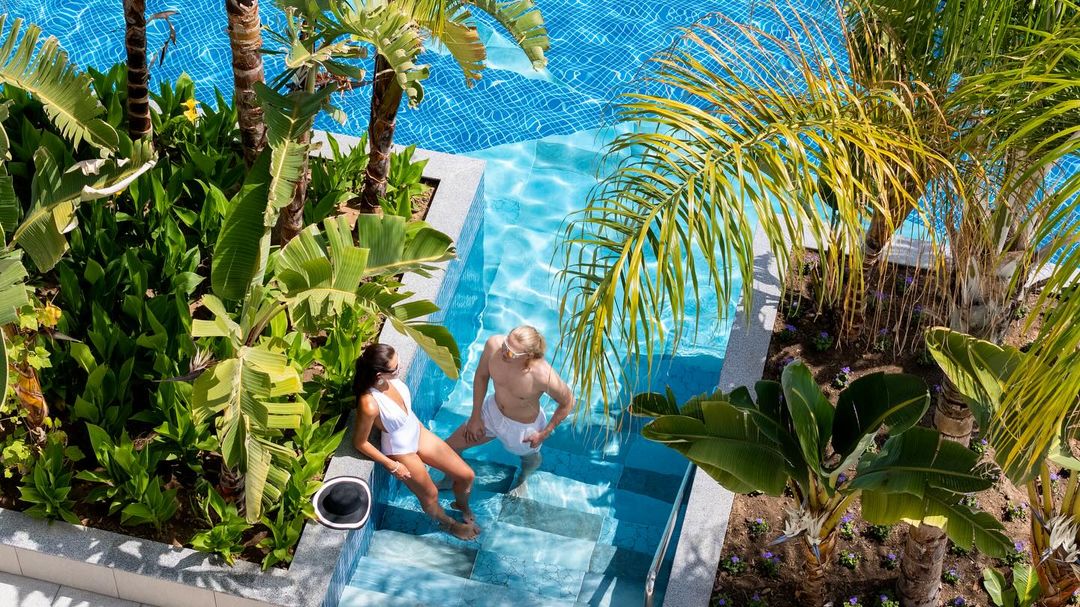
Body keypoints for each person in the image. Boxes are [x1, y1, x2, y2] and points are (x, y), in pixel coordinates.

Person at [352, 343, 479, 539]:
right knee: (430, 495)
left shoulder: (390, 380)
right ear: (379, 375)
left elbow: (405, 410)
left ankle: (461, 505)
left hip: (416, 430)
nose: (400, 367)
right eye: (396, 367)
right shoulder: (369, 403)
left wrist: (420, 428)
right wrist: (392, 465)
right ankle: (450, 525)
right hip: (400, 448)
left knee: (466, 475)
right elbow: (360, 443)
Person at [445, 326, 575, 496]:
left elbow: (568, 401)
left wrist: (544, 433)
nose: (505, 352)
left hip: (522, 429)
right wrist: (475, 416)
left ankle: (524, 477)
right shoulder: (494, 345)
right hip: (491, 412)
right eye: (506, 344)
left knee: (528, 459)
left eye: (512, 353)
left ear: (528, 355)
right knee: (449, 447)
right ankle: (451, 478)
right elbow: (481, 376)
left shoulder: (543, 375)